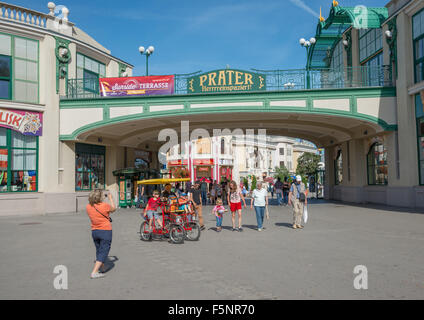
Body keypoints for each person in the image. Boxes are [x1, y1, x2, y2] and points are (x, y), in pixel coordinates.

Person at [86, 189, 116, 279]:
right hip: (105, 231)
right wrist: (110, 199)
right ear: (100, 197)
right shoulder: (105, 206)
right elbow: (114, 209)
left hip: (95, 231)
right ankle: (94, 272)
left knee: (99, 249)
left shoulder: (88, 207)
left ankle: (102, 268)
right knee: (104, 250)